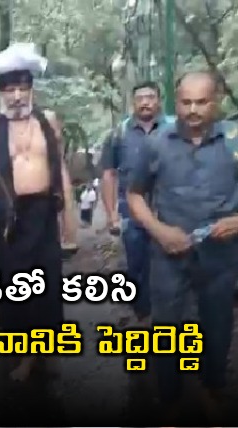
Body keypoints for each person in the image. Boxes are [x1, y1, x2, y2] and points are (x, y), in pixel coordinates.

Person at [127, 71, 238, 421]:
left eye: (201, 102)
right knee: (167, 326)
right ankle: (169, 394)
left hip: (220, 255)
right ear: (177, 102)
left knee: (217, 324)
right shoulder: (156, 142)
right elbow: (134, 195)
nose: (192, 110)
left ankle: (212, 386)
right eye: (186, 102)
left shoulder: (235, 141)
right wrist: (159, 231)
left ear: (216, 100)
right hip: (169, 254)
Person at [0, 45, 77, 382]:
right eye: (10, 90)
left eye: (23, 89)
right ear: (1, 92)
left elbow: (59, 168)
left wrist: (69, 223)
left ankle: (44, 354)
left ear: (31, 89)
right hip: (9, 219)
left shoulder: (47, 121)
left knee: (47, 287)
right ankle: (23, 354)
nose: (17, 96)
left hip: (44, 213)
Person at [100, 81, 169, 325]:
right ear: (133, 103)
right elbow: (109, 174)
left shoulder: (174, 129)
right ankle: (144, 315)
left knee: (169, 265)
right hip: (132, 214)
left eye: (150, 97)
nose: (145, 102)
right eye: (140, 98)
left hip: (169, 211)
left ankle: (168, 316)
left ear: (159, 100)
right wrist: (111, 215)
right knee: (137, 264)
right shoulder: (118, 134)